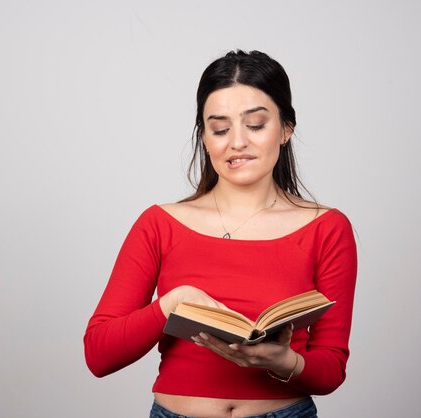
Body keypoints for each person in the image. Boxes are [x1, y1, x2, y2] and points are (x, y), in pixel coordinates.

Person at [84, 50, 357, 418]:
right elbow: (99, 355)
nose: (237, 142)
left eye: (256, 125)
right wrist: (172, 303)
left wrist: (284, 361)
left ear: (286, 129)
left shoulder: (327, 228)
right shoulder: (159, 223)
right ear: (205, 136)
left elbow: (331, 369)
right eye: (220, 128)